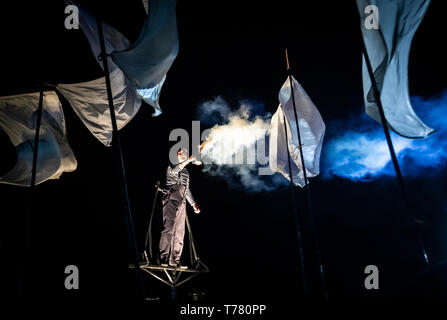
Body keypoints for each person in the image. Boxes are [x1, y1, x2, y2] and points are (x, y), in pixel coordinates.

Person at [159, 148, 200, 269]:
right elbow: (178, 168)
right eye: (181, 153)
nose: (183, 154)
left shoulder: (186, 172)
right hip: (171, 197)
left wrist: (193, 204)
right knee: (169, 229)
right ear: (176, 155)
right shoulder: (171, 167)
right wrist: (189, 159)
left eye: (185, 153)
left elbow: (186, 189)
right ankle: (163, 257)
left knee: (179, 232)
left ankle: (175, 260)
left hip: (182, 201)